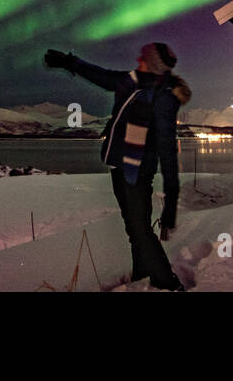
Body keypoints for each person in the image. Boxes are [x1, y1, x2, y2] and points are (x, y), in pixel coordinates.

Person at [45, 42, 191, 290]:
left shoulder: (162, 97)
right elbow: (101, 75)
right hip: (119, 167)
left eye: (143, 58)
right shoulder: (132, 81)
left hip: (136, 172)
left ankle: (168, 283)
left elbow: (166, 149)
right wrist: (70, 62)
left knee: (140, 229)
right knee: (133, 228)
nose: (137, 59)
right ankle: (143, 275)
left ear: (153, 65)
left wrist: (170, 204)